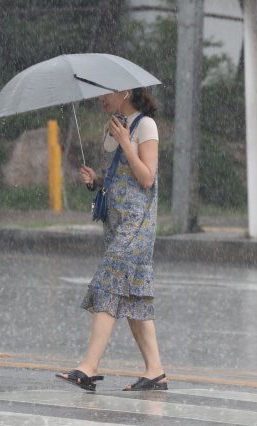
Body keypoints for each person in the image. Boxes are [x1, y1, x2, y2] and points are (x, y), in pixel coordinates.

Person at [56, 87, 167, 392]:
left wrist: (125, 142)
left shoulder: (145, 125)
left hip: (137, 226)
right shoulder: (114, 127)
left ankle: (88, 367)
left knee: (107, 285)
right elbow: (122, 177)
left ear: (125, 91)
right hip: (116, 226)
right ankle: (155, 371)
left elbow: (147, 177)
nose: (100, 99)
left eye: (106, 93)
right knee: (132, 296)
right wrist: (98, 180)